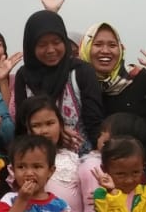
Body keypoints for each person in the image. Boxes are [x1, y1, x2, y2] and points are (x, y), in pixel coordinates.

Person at [10, 8, 103, 155]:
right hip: (38, 157)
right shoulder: (24, 76)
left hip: (82, 156)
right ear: (31, 47)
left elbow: (94, 123)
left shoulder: (82, 72)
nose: (51, 50)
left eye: (56, 42)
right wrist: (56, 131)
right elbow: (22, 126)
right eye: (42, 45)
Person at [81, 23, 146, 156]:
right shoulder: (79, 84)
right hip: (95, 165)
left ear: (121, 49)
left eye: (112, 45)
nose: (105, 50)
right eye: (98, 44)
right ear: (85, 48)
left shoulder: (141, 79)